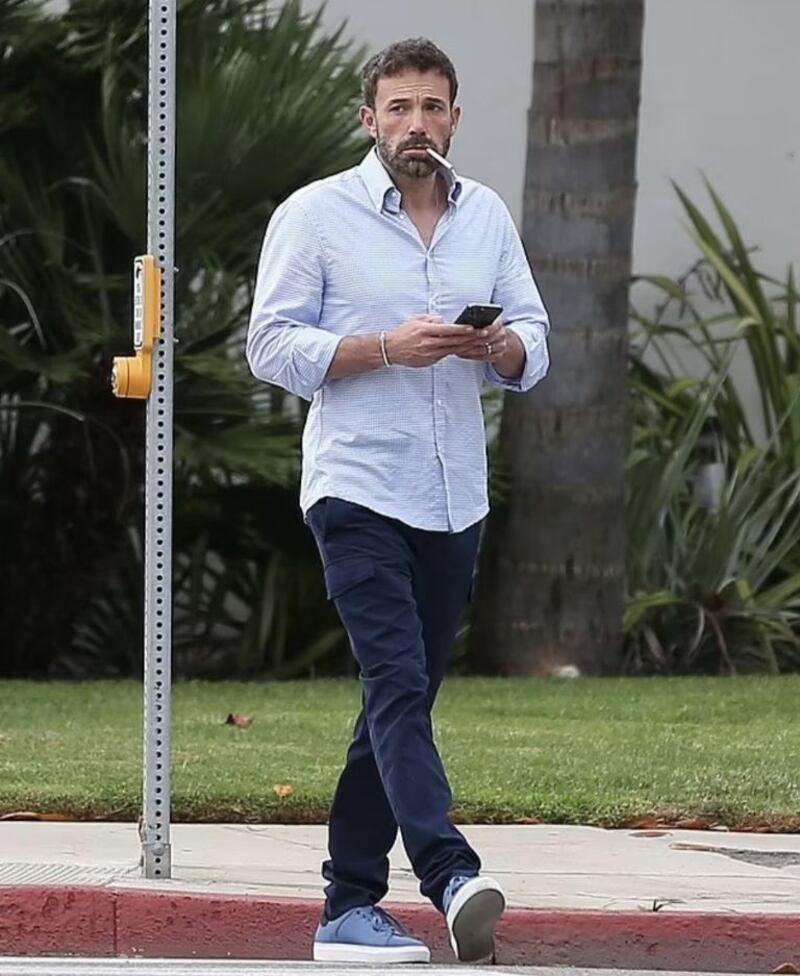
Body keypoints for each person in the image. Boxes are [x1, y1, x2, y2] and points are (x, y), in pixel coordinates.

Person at [246, 37, 550, 965]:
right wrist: (384, 348)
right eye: (399, 108)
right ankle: (450, 874)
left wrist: (501, 349)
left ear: (454, 118)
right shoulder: (315, 215)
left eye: (432, 108)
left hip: (455, 498)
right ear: (369, 119)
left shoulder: (485, 215)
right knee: (398, 685)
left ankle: (346, 907)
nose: (416, 124)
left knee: (398, 700)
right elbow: (270, 346)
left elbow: (533, 335)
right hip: (357, 489)